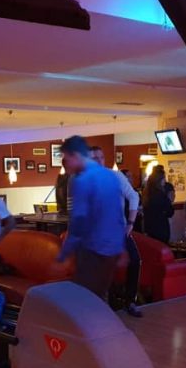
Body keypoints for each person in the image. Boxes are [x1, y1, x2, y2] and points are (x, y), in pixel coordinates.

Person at [57, 136, 125, 300]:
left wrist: (64, 253)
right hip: (112, 249)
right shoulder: (110, 176)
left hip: (92, 249)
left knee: (85, 298)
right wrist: (122, 248)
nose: (66, 163)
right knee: (101, 295)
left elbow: (78, 220)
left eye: (66, 157)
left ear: (75, 155)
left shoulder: (81, 180)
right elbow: (117, 215)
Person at [90, 146, 142, 317]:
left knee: (135, 261)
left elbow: (133, 196)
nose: (99, 161)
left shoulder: (116, 176)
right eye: (94, 158)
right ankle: (108, 305)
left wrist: (131, 223)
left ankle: (130, 301)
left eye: (101, 157)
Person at [142, 166, 174, 244]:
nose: (165, 180)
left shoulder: (147, 193)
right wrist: (169, 201)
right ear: (159, 180)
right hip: (161, 228)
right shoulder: (160, 195)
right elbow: (170, 212)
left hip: (149, 228)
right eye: (163, 178)